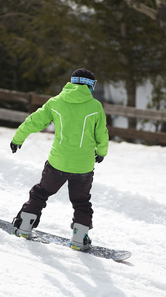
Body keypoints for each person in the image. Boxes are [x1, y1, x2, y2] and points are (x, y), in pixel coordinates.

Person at [9, 67, 109, 251]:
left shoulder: (56, 102)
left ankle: (24, 227)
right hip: (83, 166)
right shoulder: (95, 107)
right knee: (81, 202)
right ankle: (79, 238)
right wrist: (102, 152)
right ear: (89, 85)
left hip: (58, 162)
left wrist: (18, 138)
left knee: (41, 193)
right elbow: (101, 133)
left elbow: (34, 121)